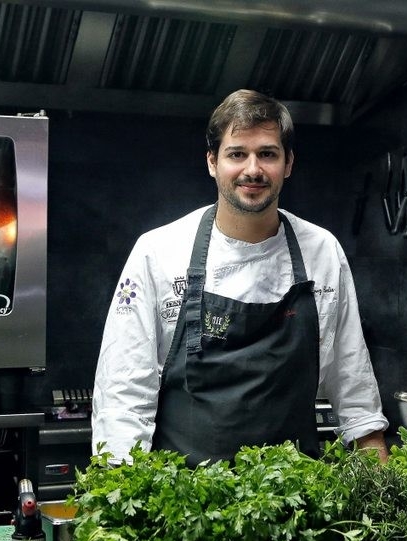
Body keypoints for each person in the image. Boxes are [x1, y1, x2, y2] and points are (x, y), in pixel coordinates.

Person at [91, 89, 389, 466]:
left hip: (299, 506)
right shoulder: (158, 253)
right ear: (212, 162)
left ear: (289, 163)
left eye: (267, 153)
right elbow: (123, 391)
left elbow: (353, 383)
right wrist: (121, 493)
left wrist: (384, 488)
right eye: (237, 154)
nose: (253, 169)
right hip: (184, 506)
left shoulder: (322, 252)